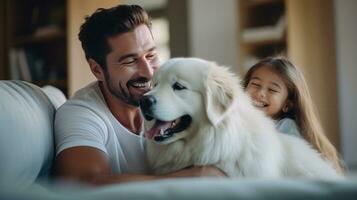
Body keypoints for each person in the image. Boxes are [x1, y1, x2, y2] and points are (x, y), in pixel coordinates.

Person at [54, 4, 224, 185]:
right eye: (130, 61)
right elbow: (83, 185)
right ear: (97, 70)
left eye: (151, 56)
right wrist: (191, 178)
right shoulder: (81, 113)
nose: (149, 72)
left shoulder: (177, 103)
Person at [242, 57, 344, 174]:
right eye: (255, 84)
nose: (260, 93)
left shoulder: (286, 128)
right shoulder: (238, 120)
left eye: (272, 90)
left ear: (287, 104)